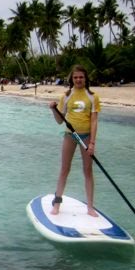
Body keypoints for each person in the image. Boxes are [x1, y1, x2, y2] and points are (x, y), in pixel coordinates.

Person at [49, 65, 101, 217]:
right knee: (65, 170)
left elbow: (94, 122)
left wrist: (92, 143)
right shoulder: (66, 96)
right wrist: (53, 109)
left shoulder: (93, 96)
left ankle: (90, 207)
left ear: (86, 79)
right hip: (70, 136)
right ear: (72, 79)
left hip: (85, 137)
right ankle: (57, 203)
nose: (78, 79)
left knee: (88, 171)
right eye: (76, 77)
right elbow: (59, 121)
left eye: (81, 77)